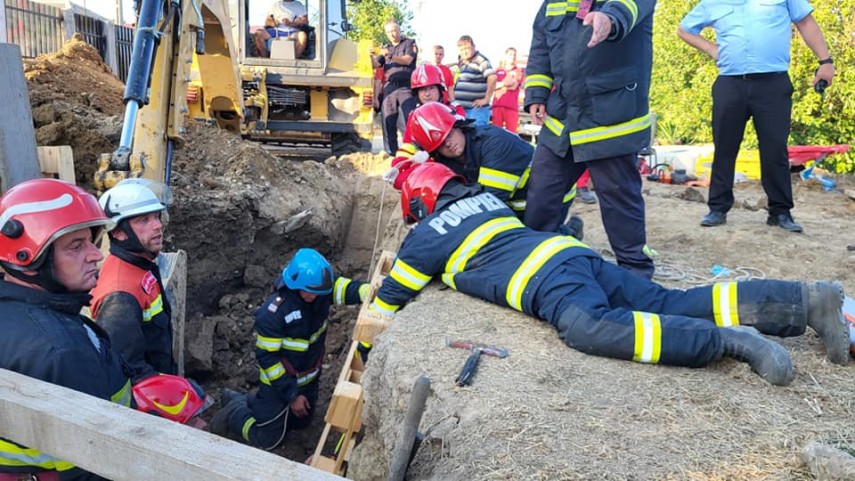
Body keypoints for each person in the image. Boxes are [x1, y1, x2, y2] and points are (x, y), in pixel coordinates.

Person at [369, 163, 850, 388]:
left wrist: (363, 325)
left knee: (588, 327)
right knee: (670, 302)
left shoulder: (427, 234)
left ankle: (726, 342)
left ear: (418, 204)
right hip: (573, 257)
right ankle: (806, 300)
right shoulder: (486, 200)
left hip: (548, 285)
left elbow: (388, 302)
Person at [0, 178, 133, 481]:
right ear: (30, 258)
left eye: (91, 241)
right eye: (76, 246)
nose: (96, 255)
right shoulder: (62, 351)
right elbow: (94, 468)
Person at [523, 0, 656, 279]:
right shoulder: (553, 3)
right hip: (563, 120)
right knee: (541, 193)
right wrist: (536, 92)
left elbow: (625, 10)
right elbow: (540, 47)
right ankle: (540, 263)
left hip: (609, 118)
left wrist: (608, 19)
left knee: (619, 199)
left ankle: (636, 274)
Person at [678, 0, 835, 233]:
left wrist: (826, 62)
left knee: (775, 149)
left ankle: (780, 212)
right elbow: (685, 29)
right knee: (725, 148)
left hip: (773, 84)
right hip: (730, 83)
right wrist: (712, 49)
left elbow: (805, 22)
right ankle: (718, 209)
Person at [210, 249, 368, 450]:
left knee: (302, 423)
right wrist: (292, 396)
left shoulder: (318, 291)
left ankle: (250, 400)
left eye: (319, 292)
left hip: (308, 379)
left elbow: (343, 288)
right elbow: (267, 358)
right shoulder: (273, 314)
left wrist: (370, 291)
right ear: (295, 285)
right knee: (268, 440)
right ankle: (236, 413)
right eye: (310, 292)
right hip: (278, 384)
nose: (315, 296)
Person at [397, 102, 583, 239]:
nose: (449, 144)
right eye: (441, 144)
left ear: (458, 125)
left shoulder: (493, 144)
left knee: (533, 243)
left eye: (449, 135)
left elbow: (489, 205)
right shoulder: (449, 162)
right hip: (519, 199)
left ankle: (568, 235)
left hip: (549, 195)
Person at [91, 179, 175, 383]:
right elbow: (130, 370)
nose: (158, 226)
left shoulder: (140, 264)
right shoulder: (120, 297)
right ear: (118, 232)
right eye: (143, 220)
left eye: (157, 216)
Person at [388, 66, 465, 190]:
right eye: (422, 90)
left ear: (440, 90)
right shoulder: (414, 116)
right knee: (400, 180)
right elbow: (408, 146)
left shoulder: (455, 110)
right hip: (429, 164)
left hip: (453, 162)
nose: (427, 94)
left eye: (431, 88)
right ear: (416, 94)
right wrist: (397, 166)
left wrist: (428, 158)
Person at [371, 19, 418, 156]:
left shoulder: (409, 43)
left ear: (399, 30)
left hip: (406, 87)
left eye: (394, 30)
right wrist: (370, 55)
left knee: (408, 121)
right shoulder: (386, 47)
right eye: (389, 32)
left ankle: (410, 153)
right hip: (390, 87)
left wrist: (390, 56)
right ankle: (390, 154)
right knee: (388, 121)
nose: (392, 34)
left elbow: (408, 60)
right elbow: (375, 65)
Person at [453, 35, 497, 126]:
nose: (465, 52)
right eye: (462, 50)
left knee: (476, 136)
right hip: (461, 110)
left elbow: (492, 78)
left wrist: (486, 99)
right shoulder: (463, 63)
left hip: (476, 110)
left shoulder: (480, 60)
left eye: (467, 48)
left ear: (474, 46)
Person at [491, 47, 523, 133]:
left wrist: (499, 85)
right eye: (510, 54)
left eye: (514, 55)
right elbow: (491, 86)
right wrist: (505, 83)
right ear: (505, 56)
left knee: (511, 134)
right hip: (497, 105)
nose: (512, 57)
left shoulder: (519, 71)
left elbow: (514, 86)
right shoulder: (498, 70)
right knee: (496, 133)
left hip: (511, 107)